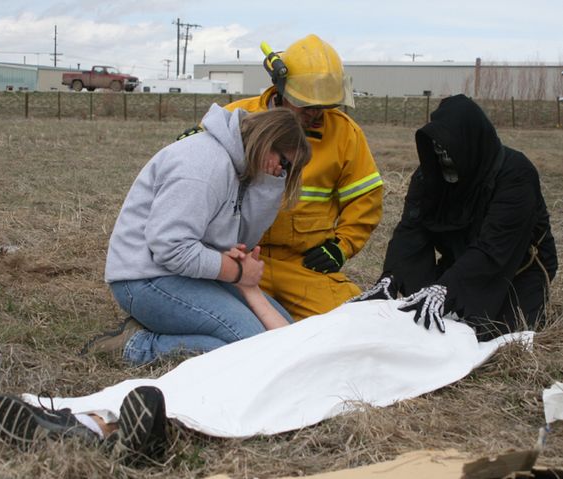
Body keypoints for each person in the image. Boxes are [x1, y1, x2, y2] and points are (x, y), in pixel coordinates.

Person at [0, 296, 531, 466]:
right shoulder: (383, 297)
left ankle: (115, 426)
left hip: (359, 342)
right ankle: (92, 418)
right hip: (324, 329)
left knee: (274, 377)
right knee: (220, 367)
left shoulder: (451, 334)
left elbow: (422, 359)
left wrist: (471, 341)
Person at [83, 103, 311, 365]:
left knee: (282, 331)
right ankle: (136, 346)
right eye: (283, 163)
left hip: (191, 273)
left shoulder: (243, 166)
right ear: (266, 140)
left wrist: (268, 185)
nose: (281, 172)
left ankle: (173, 331)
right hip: (145, 279)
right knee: (253, 345)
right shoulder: (204, 165)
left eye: (287, 171)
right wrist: (237, 272)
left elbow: (244, 239)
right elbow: (170, 247)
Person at [353, 94, 557, 340]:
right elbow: (411, 230)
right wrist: (391, 277)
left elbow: (495, 247)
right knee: (422, 327)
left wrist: (445, 288)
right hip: (460, 263)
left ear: (469, 146)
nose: (445, 161)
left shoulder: (516, 176)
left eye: (451, 154)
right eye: (439, 153)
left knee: (496, 339)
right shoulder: (431, 175)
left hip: (516, 268)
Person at [223, 34, 384, 320]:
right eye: (307, 104)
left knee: (356, 320)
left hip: (301, 265)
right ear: (281, 87)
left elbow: (365, 199)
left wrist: (341, 246)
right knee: (234, 326)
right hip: (238, 257)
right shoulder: (236, 116)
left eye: (323, 105)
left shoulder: (345, 134)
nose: (315, 113)